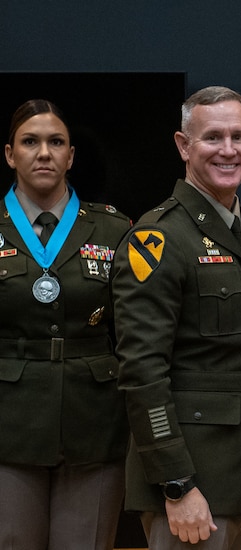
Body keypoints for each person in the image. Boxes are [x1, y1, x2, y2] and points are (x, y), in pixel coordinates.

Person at [112, 86, 241, 549]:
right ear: (183, 146)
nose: (228, 149)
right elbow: (141, 374)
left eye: (239, 136)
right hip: (193, 484)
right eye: (212, 137)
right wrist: (176, 484)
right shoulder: (158, 238)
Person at [0, 99, 131, 549]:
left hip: (93, 423)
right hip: (8, 424)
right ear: (9, 154)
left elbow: (136, 332)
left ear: (71, 156)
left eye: (56, 142)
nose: (44, 153)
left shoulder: (114, 230)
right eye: (30, 142)